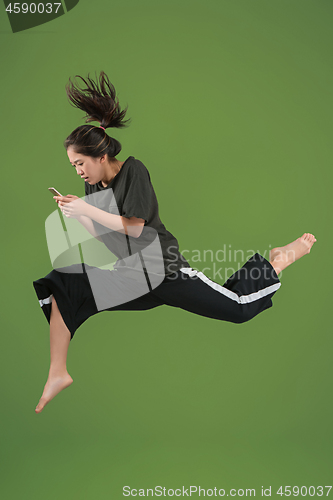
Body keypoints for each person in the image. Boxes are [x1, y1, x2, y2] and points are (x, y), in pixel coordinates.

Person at [33, 71, 317, 414]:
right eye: (73, 165)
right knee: (64, 286)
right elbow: (114, 242)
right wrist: (81, 216)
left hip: (162, 269)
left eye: (80, 163)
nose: (78, 171)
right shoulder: (94, 189)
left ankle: (276, 261)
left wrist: (85, 209)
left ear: (100, 155)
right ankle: (58, 372)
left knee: (238, 307)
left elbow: (136, 229)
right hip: (131, 276)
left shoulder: (133, 171)